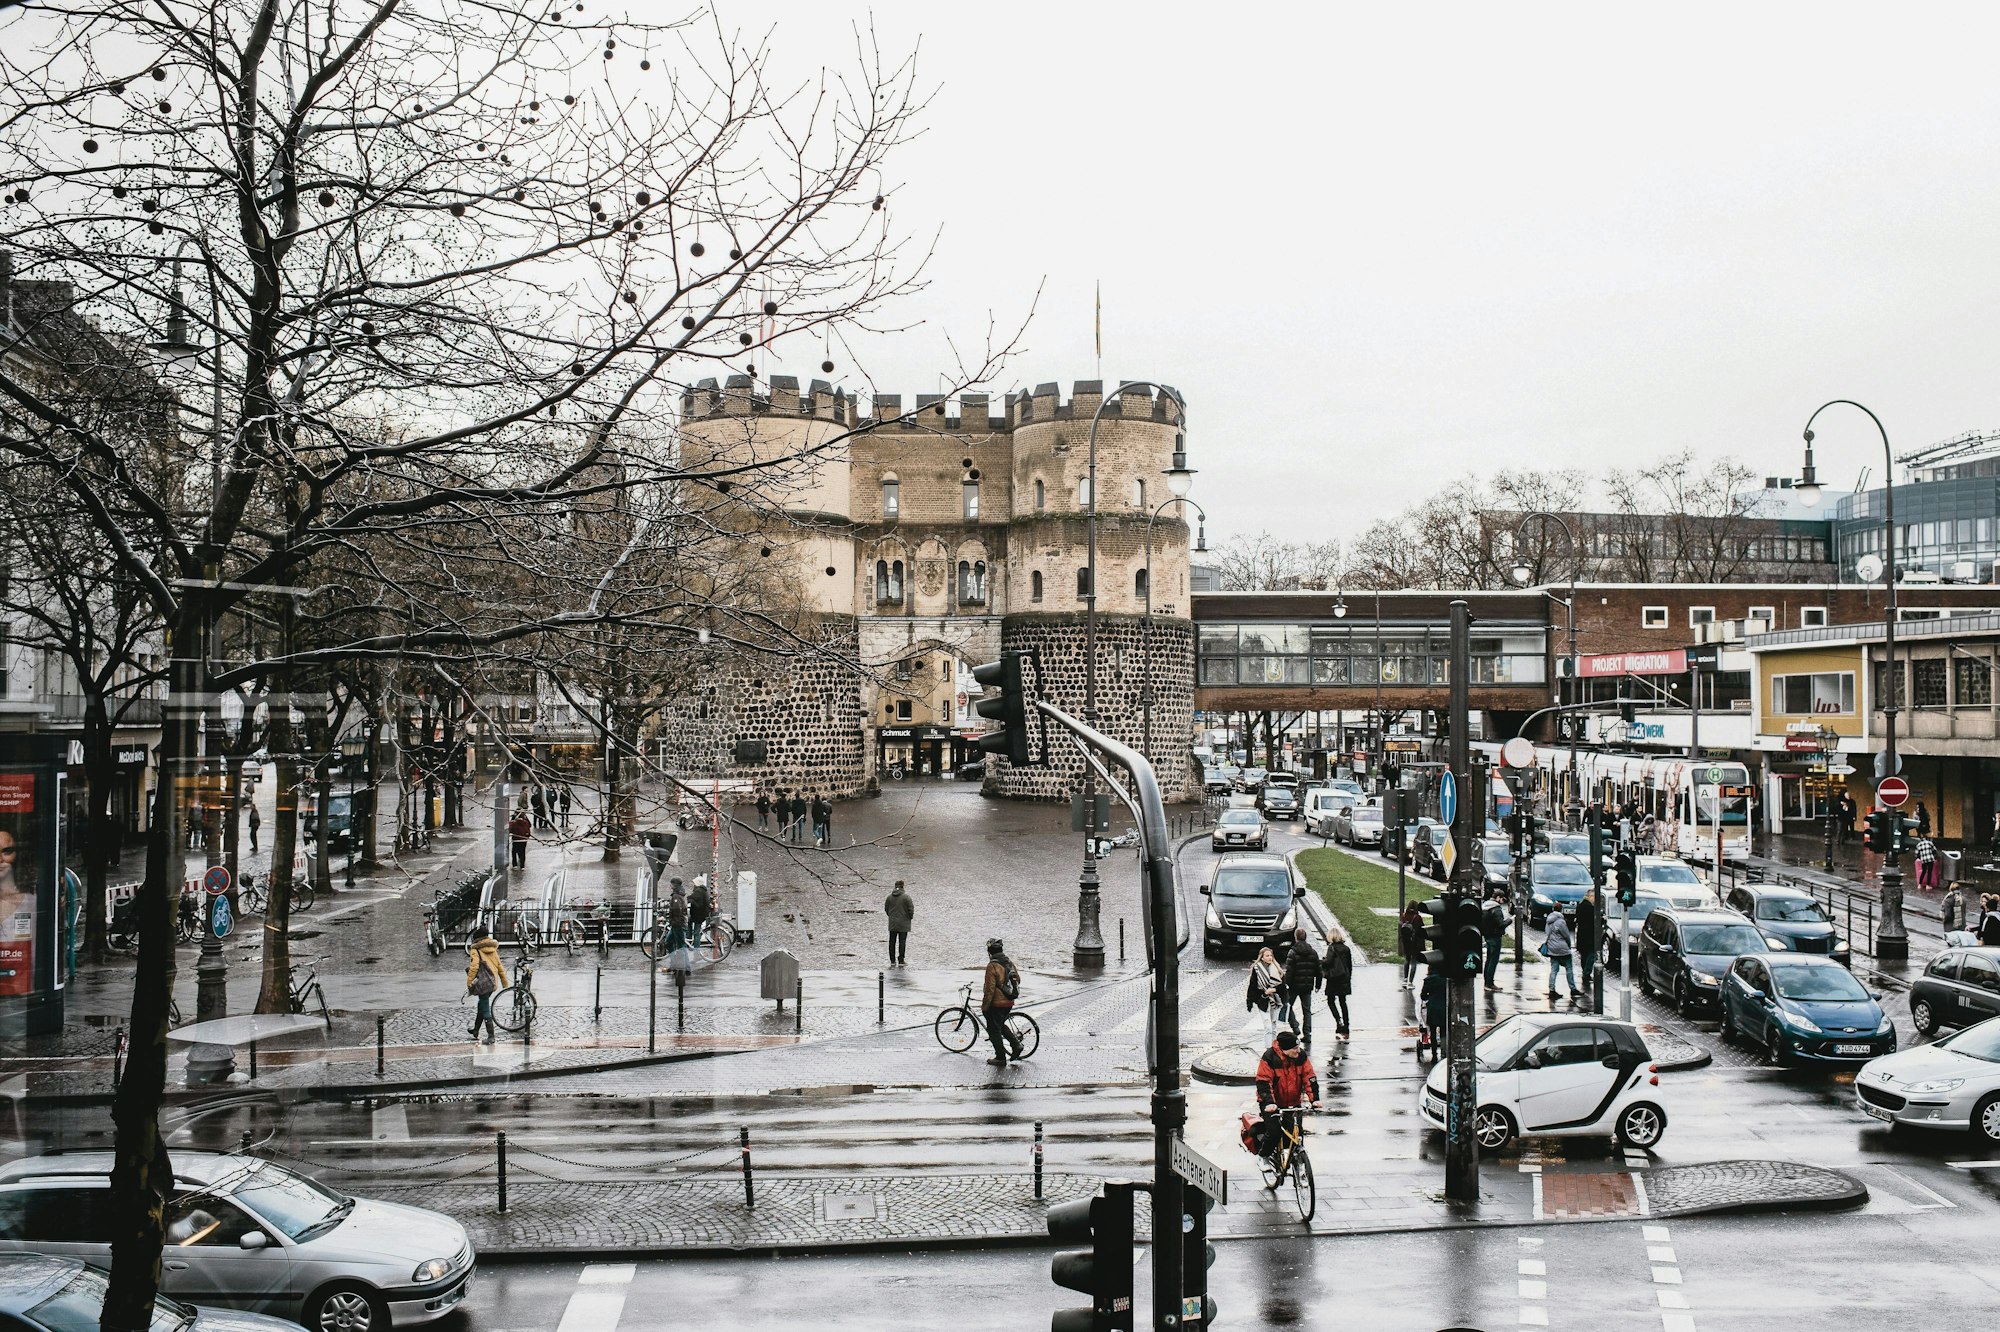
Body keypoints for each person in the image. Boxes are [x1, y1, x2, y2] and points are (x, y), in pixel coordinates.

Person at [1253, 1029, 1319, 1158]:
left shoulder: (1301, 1057)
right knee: (1274, 1133)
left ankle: (1297, 1161)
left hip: (1293, 1101)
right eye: (1295, 1048)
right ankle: (1264, 1156)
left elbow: (1309, 1077)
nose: (1298, 1051)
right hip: (1271, 1102)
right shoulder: (1269, 1057)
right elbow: (1263, 1082)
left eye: (1298, 1047)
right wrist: (1269, 1103)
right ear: (1285, 1049)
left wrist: (1315, 1099)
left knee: (1296, 1134)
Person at [981, 938, 1023, 1066]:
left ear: (990, 952)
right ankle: (1016, 1045)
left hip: (997, 1004)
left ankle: (1000, 1057)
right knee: (999, 1025)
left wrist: (985, 1006)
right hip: (1009, 1001)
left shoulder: (992, 966)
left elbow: (989, 990)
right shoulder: (1009, 962)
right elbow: (1018, 980)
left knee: (993, 1030)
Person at [1281, 929, 1323, 1044]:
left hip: (1294, 986)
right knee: (1307, 1010)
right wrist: (1318, 984)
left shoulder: (1292, 952)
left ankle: (1295, 1027)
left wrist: (1286, 984)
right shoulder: (1313, 952)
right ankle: (1307, 1034)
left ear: (1296, 938)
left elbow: (1289, 971)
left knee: (1287, 1005)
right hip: (1307, 986)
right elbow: (1318, 971)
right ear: (1306, 937)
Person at [466, 928, 507, 1041]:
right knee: (482, 1004)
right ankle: (476, 1030)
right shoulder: (492, 948)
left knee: (484, 1008)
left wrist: (469, 982)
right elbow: (499, 966)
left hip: (482, 982)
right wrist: (504, 982)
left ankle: (491, 1036)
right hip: (492, 981)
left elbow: (474, 968)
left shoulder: (475, 950)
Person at [1248, 946, 1285, 1040]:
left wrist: (1273, 990)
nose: (1270, 957)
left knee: (1274, 1026)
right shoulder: (1257, 969)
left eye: (1271, 955)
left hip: (1275, 1000)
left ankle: (1273, 1046)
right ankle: (1268, 1047)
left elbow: (1283, 986)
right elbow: (1252, 985)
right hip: (1262, 1000)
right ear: (1262, 957)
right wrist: (1249, 1001)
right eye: (1267, 956)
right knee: (1268, 1027)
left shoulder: (1277, 968)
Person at [1323, 928, 1353, 1038]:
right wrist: (1348, 977)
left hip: (1333, 978)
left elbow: (1328, 962)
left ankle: (1338, 1020)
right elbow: (1349, 965)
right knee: (1343, 1002)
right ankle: (1346, 1025)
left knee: (1331, 1001)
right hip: (1344, 978)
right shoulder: (1346, 949)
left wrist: (1322, 961)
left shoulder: (1331, 948)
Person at [1481, 885, 1511, 989]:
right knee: (1493, 960)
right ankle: (1490, 983)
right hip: (1495, 936)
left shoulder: (1486, 906)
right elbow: (1501, 924)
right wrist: (1510, 920)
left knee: (1488, 959)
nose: (1503, 901)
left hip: (1488, 935)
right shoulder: (1496, 909)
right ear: (1498, 898)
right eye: (1502, 899)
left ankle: (1487, 981)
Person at [1544, 907, 1576, 1001]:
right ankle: (1573, 988)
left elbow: (1547, 933)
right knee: (1569, 968)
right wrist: (1569, 946)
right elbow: (1566, 935)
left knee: (1554, 970)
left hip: (1552, 948)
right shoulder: (1561, 922)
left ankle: (1552, 989)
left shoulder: (1548, 921)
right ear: (1561, 910)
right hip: (1562, 948)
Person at [1574, 887, 1601, 995]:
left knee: (1584, 955)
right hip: (1589, 935)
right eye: (1594, 897)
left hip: (1582, 935)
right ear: (1590, 896)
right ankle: (1586, 973)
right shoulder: (1590, 907)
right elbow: (1593, 921)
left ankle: (1585, 972)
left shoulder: (1580, 905)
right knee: (1591, 954)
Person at [1419, 964, 1447, 1057]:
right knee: (1443, 1031)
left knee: (1433, 1032)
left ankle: (1434, 1053)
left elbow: (1423, 996)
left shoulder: (1428, 980)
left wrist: (1429, 997)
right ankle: (1444, 1052)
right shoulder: (1445, 979)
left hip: (1432, 1008)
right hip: (1444, 1007)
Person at [884, 880, 915, 964]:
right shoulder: (906, 897)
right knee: (902, 942)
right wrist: (909, 918)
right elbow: (911, 909)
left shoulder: (889, 897)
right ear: (903, 886)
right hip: (904, 923)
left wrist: (891, 916)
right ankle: (901, 960)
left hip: (893, 923)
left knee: (892, 942)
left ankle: (892, 960)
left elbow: (886, 909)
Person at [1398, 903, 1424, 988]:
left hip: (1406, 941)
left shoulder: (1403, 915)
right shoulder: (1417, 917)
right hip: (1415, 941)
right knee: (1413, 961)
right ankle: (1410, 982)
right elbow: (1421, 929)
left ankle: (1405, 979)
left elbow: (1401, 926)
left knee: (1407, 959)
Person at [688, 875, 712, 939]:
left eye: (694, 883)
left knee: (696, 931)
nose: (693, 884)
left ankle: (694, 943)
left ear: (697, 883)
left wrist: (690, 900)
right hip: (702, 914)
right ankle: (689, 937)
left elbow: (691, 898)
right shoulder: (703, 891)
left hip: (698, 914)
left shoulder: (698, 891)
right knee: (690, 922)